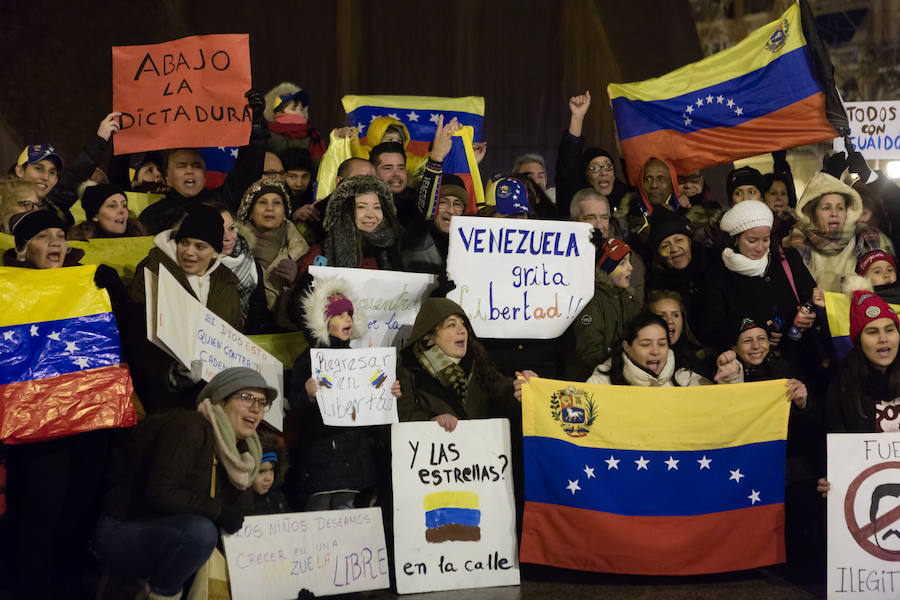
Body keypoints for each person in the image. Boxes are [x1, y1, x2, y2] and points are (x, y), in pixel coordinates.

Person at [2, 209, 127, 600]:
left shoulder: (87, 282)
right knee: (40, 514)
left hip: (89, 424)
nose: (56, 242)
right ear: (23, 251)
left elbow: (125, 333)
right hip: (36, 430)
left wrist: (115, 293)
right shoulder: (6, 289)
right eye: (43, 237)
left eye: (60, 234)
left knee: (79, 509)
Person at [93, 368, 276, 600]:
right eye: (246, 397)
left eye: (262, 402)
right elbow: (161, 493)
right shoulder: (190, 426)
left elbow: (240, 513)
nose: (256, 408)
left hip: (175, 533)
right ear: (220, 400)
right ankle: (160, 594)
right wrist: (218, 511)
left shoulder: (245, 453)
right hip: (124, 530)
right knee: (201, 532)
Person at [289, 279, 399, 510]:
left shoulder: (363, 360)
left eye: (350, 314)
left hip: (358, 459)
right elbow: (295, 406)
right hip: (321, 458)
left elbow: (375, 403)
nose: (347, 319)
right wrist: (307, 395)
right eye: (340, 315)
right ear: (324, 322)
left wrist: (390, 393)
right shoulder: (308, 360)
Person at [697, 200, 828, 382]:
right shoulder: (718, 274)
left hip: (799, 361)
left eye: (765, 239)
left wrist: (808, 315)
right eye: (752, 240)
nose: (760, 247)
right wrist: (754, 331)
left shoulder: (787, 259)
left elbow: (810, 297)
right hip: (754, 371)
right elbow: (712, 327)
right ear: (736, 239)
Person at [128, 205, 242, 413]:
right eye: (184, 243)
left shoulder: (228, 284)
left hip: (212, 391)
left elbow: (234, 337)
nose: (189, 252)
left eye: (200, 247)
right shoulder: (153, 270)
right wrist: (172, 373)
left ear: (215, 253)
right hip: (161, 390)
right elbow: (135, 332)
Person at [139, 89, 268, 234]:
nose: (189, 170)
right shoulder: (151, 216)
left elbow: (248, 171)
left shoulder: (222, 201)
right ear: (167, 177)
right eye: (182, 166)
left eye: (196, 165)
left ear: (205, 176)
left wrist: (256, 126)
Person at [818, 291, 900, 496]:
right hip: (871, 496)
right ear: (858, 340)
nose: (883, 339)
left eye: (890, 330)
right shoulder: (842, 387)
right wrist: (832, 479)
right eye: (872, 332)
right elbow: (837, 451)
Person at [397, 298, 519, 432]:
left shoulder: (479, 364)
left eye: (463, 324)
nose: (462, 330)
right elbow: (404, 416)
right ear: (430, 335)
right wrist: (431, 421)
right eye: (451, 325)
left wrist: (521, 388)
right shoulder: (408, 370)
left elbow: (503, 392)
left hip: (480, 448)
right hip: (435, 450)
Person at [784, 171, 894, 292]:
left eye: (840, 208)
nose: (834, 214)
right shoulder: (797, 244)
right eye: (826, 208)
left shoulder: (869, 239)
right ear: (812, 212)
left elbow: (887, 289)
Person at [587, 312, 743, 386]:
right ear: (627, 347)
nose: (655, 351)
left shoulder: (684, 379)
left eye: (662, 344)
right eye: (646, 344)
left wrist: (730, 378)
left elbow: (725, 408)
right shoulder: (601, 384)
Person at [236, 175, 309, 329]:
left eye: (277, 203)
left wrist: (297, 281)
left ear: (285, 211)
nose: (270, 208)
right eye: (262, 202)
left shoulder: (305, 251)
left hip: (286, 338)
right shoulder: (232, 248)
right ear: (250, 211)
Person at [564, 238, 642, 381]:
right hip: (592, 381)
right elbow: (590, 353)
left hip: (620, 376)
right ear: (606, 268)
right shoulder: (591, 301)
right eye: (622, 263)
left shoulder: (629, 299)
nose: (630, 267)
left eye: (629, 261)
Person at [299, 174, 403, 272]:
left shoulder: (394, 245)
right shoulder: (319, 253)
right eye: (361, 207)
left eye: (377, 207)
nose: (371, 215)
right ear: (346, 211)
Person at [554, 91, 630, 219]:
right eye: (595, 168)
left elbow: (630, 160)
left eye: (608, 167)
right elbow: (568, 164)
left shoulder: (627, 199)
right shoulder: (574, 199)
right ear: (585, 175)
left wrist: (620, 114)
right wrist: (577, 117)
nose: (603, 173)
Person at [571, 187, 646, 299]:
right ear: (575, 220)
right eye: (590, 218)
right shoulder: (560, 255)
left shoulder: (628, 257)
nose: (599, 225)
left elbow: (634, 302)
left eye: (604, 218)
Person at [212, 203, 277, 334]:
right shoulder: (197, 266)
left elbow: (258, 312)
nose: (228, 237)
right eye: (218, 230)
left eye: (231, 228)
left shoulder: (249, 261)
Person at [645, 210, 714, 318]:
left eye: (679, 240)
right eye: (665, 246)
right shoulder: (655, 286)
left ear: (689, 242)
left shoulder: (714, 267)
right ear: (658, 255)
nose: (674, 249)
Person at [646, 290, 712, 378]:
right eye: (662, 316)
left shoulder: (699, 361)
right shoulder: (640, 359)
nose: (670, 321)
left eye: (675, 315)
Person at [263, 83, 325, 161]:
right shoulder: (267, 135)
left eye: (301, 109)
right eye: (294, 108)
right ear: (278, 113)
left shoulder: (312, 135)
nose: (299, 112)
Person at [68, 183, 147, 239]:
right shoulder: (78, 247)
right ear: (95, 215)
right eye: (112, 206)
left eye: (124, 205)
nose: (122, 211)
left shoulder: (140, 239)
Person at [370, 141, 417, 226]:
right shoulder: (363, 203)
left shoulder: (419, 203)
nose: (396, 174)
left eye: (401, 168)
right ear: (373, 172)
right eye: (388, 168)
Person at [248, 432, 290, 515]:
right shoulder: (243, 504)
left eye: (271, 470)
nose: (268, 478)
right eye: (261, 471)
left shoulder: (278, 499)